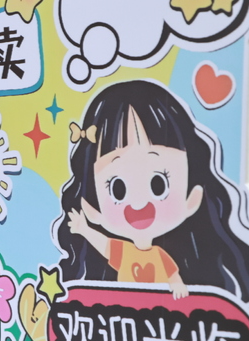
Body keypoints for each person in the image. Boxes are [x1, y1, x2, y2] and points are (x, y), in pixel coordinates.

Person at [57, 80, 249, 300]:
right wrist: (83, 228)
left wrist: (177, 286)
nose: (139, 205)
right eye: (117, 189)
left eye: (159, 184)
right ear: (93, 208)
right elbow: (103, 244)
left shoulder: (160, 255)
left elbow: (174, 276)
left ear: (193, 197)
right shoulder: (123, 254)